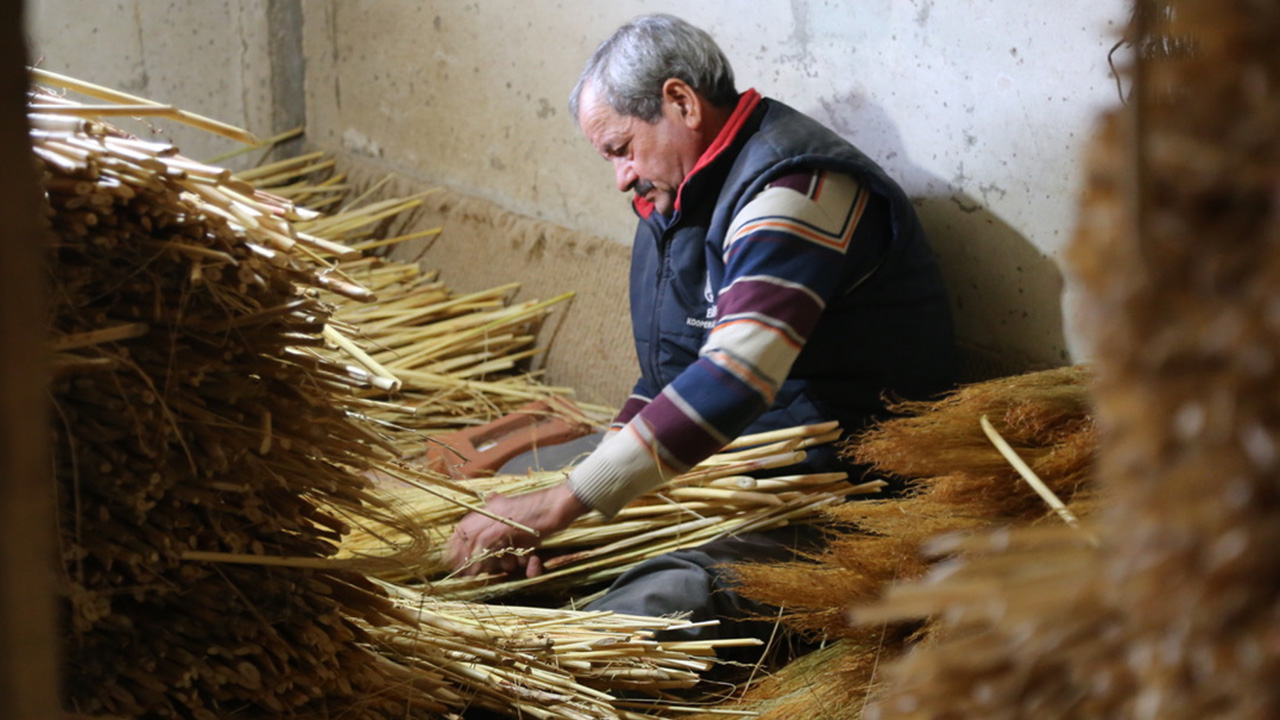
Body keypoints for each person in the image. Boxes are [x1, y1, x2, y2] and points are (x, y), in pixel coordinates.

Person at [447, 13, 956, 646]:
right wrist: (586, 497)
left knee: (650, 608)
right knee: (519, 494)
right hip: (728, 472)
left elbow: (733, 377)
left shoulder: (797, 185)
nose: (620, 176)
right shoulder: (679, 196)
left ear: (681, 102)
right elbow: (671, 373)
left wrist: (567, 503)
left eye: (620, 149)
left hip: (828, 492)